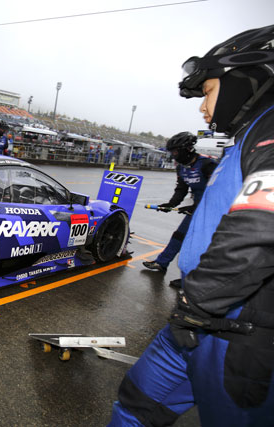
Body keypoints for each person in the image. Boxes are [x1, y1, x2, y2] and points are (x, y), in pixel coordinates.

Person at [109, 25, 274, 426]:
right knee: (134, 404)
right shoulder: (246, 138)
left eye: (208, 91)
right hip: (197, 318)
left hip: (239, 329)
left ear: (247, 78)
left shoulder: (269, 129)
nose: (202, 107)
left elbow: (261, 227)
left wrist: (198, 303)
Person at [142, 132, 218, 274]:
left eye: (175, 152)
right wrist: (170, 204)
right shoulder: (181, 167)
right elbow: (181, 189)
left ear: (187, 149)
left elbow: (218, 190)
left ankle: (191, 277)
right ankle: (161, 263)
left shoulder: (207, 164)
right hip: (197, 207)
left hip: (215, 207)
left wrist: (196, 207)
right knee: (179, 235)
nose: (173, 156)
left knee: (202, 242)